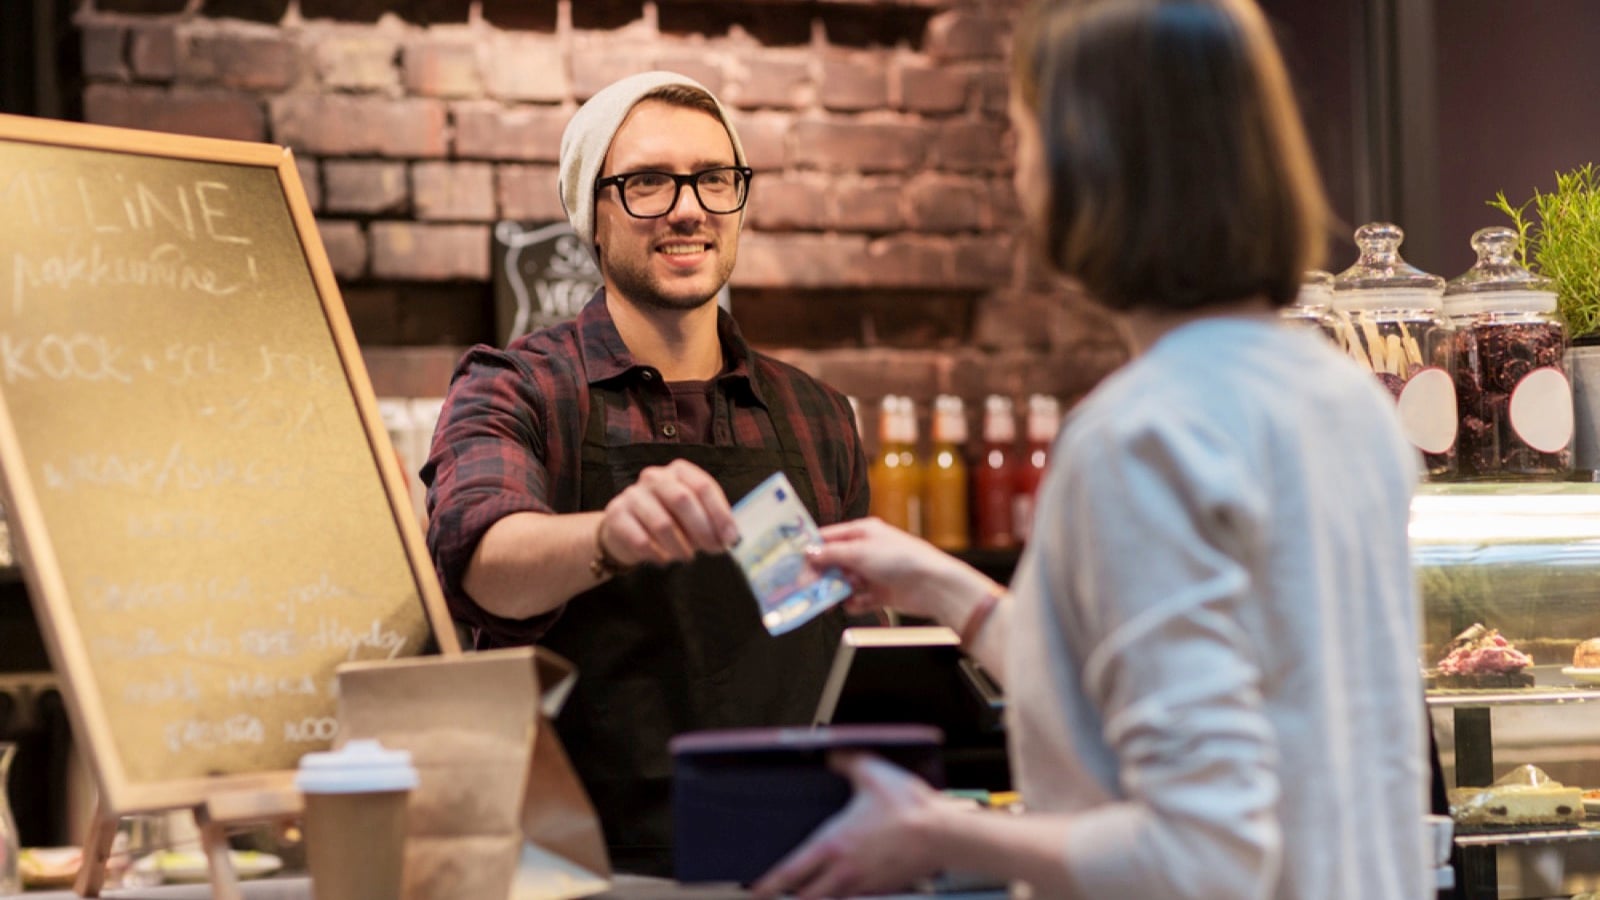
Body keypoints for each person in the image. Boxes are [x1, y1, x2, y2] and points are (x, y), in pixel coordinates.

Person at [753, 0, 1431, 898]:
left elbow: (1206, 857)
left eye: (1024, 131)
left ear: (1093, 162)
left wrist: (934, 833)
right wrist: (945, 590)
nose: (1012, 163)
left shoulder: (1141, 435)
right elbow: (1189, 718)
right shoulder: (1343, 400)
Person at [421, 71, 869, 876]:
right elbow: (478, 560)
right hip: (579, 868)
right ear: (591, 216)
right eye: (648, 183)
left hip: (799, 859)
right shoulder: (516, 386)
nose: (688, 208)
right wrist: (608, 534)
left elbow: (831, 636)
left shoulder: (818, 414)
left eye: (713, 180)